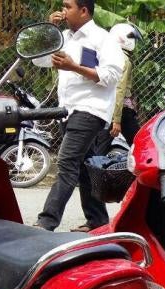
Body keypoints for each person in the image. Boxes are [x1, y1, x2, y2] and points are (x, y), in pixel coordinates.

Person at [35, 0, 124, 232]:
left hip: (90, 109)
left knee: (67, 162)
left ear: (84, 11)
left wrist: (74, 67)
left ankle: (47, 221)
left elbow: (112, 75)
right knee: (85, 166)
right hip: (68, 110)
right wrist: (49, 30)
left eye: (68, 6)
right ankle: (98, 221)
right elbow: (39, 60)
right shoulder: (63, 37)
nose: (63, 11)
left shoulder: (102, 38)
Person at [107, 23, 142, 145]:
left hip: (109, 105)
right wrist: (116, 119)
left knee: (100, 144)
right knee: (139, 143)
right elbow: (119, 89)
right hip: (121, 109)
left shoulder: (110, 55)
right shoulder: (124, 59)